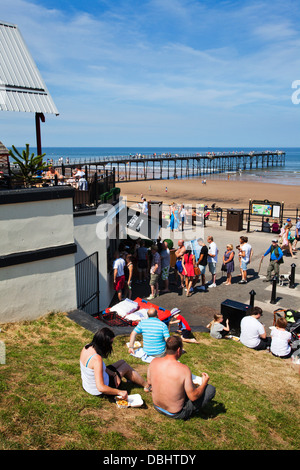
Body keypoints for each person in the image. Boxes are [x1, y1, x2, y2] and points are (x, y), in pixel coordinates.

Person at [147, 335, 216, 420]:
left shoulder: (154, 362)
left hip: (157, 406)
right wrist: (204, 382)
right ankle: (194, 411)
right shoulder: (184, 369)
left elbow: (149, 383)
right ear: (179, 350)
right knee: (210, 389)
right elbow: (193, 397)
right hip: (175, 413)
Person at [80, 327, 149, 399]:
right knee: (125, 367)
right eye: (110, 343)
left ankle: (132, 379)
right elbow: (101, 388)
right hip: (99, 391)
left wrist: (114, 374)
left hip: (88, 386)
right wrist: (119, 392)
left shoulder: (87, 347)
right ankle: (146, 385)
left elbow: (97, 369)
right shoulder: (97, 359)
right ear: (104, 344)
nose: (111, 346)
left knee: (122, 362)